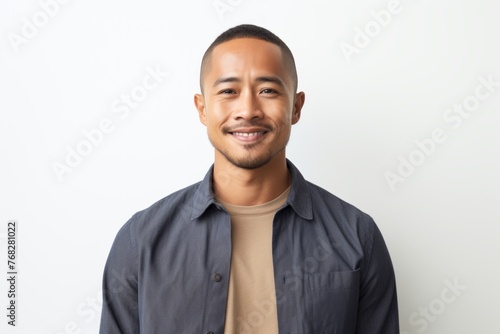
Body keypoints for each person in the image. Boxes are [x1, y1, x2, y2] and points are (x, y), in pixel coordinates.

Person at [99, 24, 399, 333]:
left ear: (295, 107)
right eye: (229, 91)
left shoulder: (357, 236)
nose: (248, 110)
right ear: (202, 109)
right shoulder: (141, 241)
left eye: (268, 90)